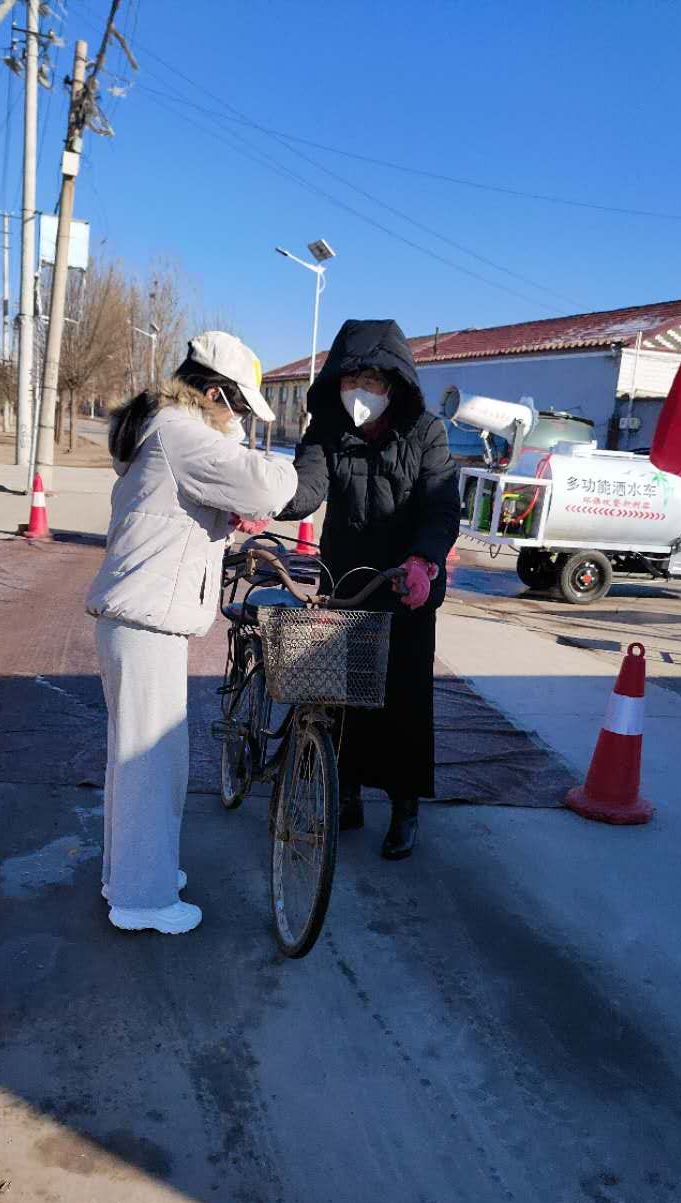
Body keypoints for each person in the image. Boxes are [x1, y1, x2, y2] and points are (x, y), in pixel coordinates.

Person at [86, 332, 297, 935]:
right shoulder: (181, 431)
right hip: (145, 621)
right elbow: (267, 486)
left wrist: (220, 517)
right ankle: (144, 900)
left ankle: (128, 876)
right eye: (238, 407)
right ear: (213, 393)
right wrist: (297, 467)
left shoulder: (159, 427)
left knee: (135, 761)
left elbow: (181, 511)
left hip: (136, 620)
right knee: (151, 766)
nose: (239, 421)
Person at [268, 319, 460, 860]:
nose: (361, 392)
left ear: (394, 384)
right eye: (352, 381)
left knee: (403, 699)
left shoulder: (426, 431)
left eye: (373, 382)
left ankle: (404, 808)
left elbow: (442, 505)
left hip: (405, 583)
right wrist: (265, 498)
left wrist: (423, 561)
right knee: (337, 696)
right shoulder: (327, 427)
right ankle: (344, 795)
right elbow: (306, 488)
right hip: (345, 580)